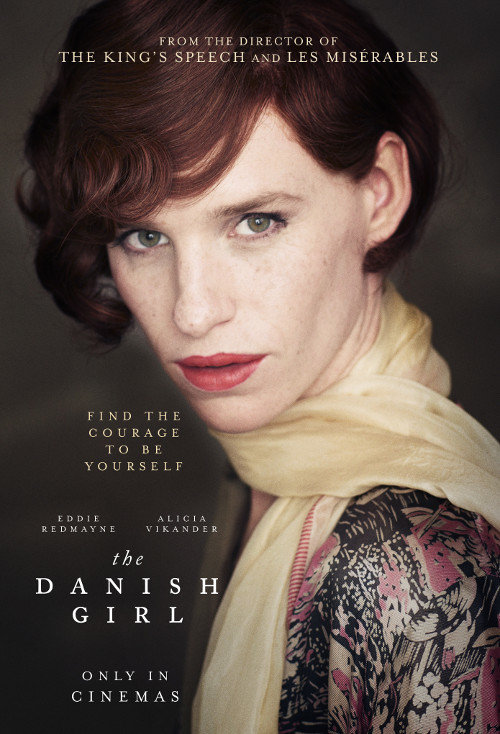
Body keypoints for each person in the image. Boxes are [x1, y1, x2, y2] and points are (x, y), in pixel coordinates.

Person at [18, 0, 499, 731]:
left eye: (256, 221)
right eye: (143, 236)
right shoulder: (267, 463)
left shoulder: (405, 566)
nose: (192, 312)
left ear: (380, 194)